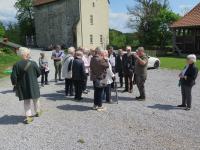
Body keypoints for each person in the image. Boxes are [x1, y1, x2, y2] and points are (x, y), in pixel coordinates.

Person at [11, 47, 42, 124]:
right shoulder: (33, 63)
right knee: (36, 99)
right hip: (33, 84)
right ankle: (37, 111)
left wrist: (15, 84)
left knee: (26, 101)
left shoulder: (16, 65)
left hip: (23, 86)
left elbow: (13, 77)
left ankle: (29, 117)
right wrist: (33, 78)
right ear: (27, 54)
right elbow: (39, 73)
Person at [90, 47, 109, 111]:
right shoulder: (100, 59)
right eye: (102, 51)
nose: (103, 52)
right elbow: (107, 65)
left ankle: (95, 105)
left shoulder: (92, 58)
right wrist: (105, 59)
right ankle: (100, 106)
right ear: (99, 52)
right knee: (100, 92)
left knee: (96, 92)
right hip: (100, 77)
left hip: (94, 77)